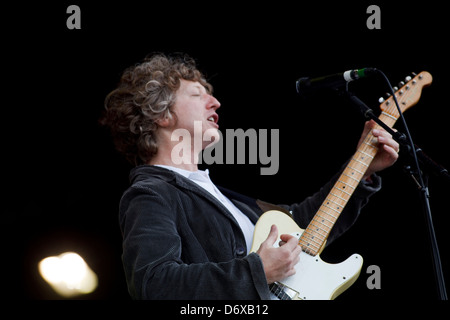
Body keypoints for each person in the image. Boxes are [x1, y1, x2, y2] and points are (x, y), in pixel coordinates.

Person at [101, 53, 399, 300]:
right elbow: (154, 285)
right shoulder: (152, 193)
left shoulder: (223, 198)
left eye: (212, 95)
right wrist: (257, 270)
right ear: (161, 115)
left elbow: (304, 228)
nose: (215, 103)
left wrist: (362, 167)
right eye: (197, 95)